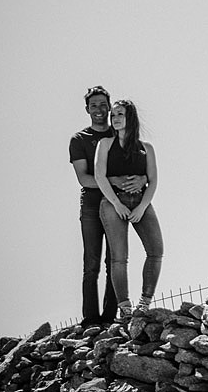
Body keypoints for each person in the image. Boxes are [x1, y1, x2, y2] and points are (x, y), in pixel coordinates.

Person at [69, 86, 145, 326]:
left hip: (118, 206)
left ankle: (111, 316)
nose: (100, 110)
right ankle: (91, 319)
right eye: (94, 105)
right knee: (91, 263)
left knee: (116, 259)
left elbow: (139, 161)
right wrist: (109, 180)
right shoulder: (79, 140)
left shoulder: (120, 133)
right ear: (87, 109)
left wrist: (143, 179)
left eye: (104, 105)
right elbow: (84, 178)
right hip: (92, 206)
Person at [94, 99, 164, 319]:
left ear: (130, 117)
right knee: (119, 258)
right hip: (113, 204)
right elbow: (99, 175)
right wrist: (116, 203)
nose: (115, 118)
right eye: (113, 115)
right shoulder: (104, 144)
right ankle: (125, 309)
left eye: (120, 114)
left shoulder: (147, 148)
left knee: (156, 251)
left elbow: (153, 180)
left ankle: (144, 304)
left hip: (141, 202)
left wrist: (142, 207)